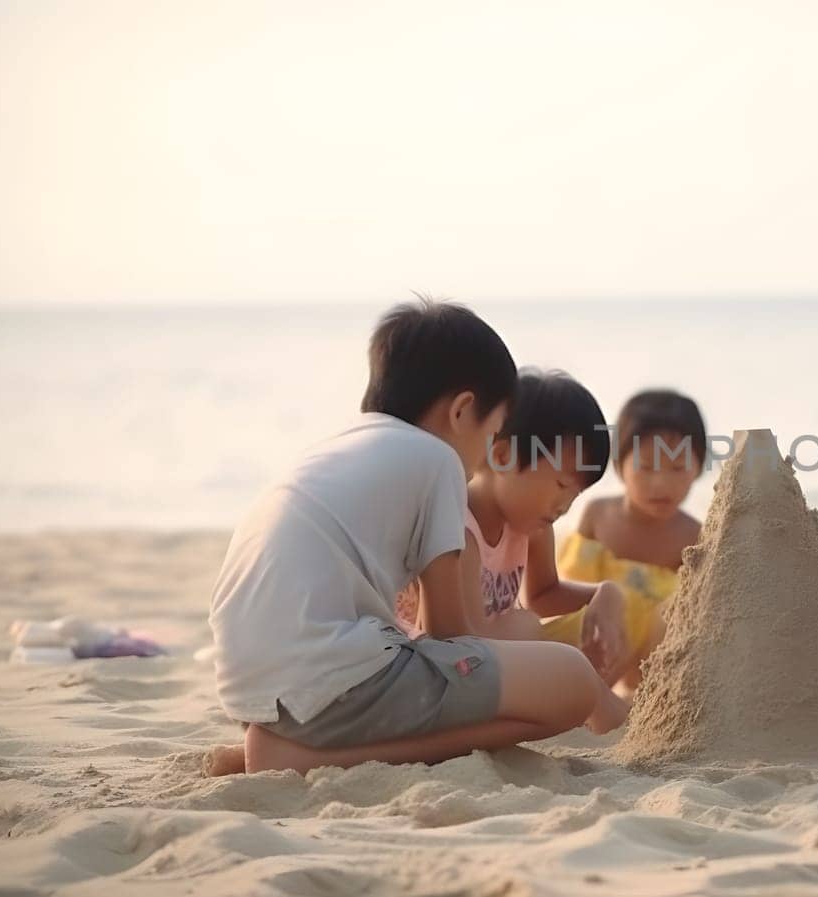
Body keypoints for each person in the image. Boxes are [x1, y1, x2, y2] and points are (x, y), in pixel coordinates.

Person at [205, 300, 624, 777]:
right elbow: (451, 636)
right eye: (494, 433)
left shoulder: (337, 447)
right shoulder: (437, 461)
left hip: (248, 685)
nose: (491, 453)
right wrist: (537, 643)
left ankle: (293, 750)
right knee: (570, 681)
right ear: (464, 411)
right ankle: (307, 759)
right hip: (329, 680)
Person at [397, 370, 635, 693]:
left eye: (577, 493)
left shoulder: (531, 524)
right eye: (562, 484)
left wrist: (605, 593)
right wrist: (527, 629)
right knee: (542, 640)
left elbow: (543, 594)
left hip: (486, 662)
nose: (566, 505)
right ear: (503, 455)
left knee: (628, 620)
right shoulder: (459, 529)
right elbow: (459, 644)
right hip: (423, 671)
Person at [545, 390, 706, 692]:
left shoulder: (694, 536)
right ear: (620, 466)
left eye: (677, 467)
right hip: (595, 650)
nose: (662, 483)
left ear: (698, 467)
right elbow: (567, 592)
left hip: (654, 672)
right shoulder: (599, 515)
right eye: (646, 467)